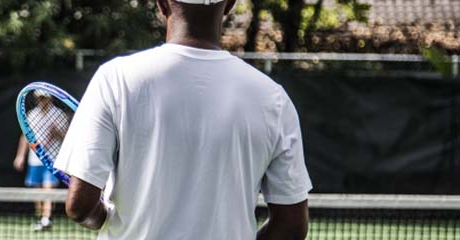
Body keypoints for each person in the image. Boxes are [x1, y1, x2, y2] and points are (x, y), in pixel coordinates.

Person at [54, 0, 312, 239]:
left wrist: (103, 217)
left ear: (162, 3)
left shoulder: (114, 78)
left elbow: (80, 207)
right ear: (230, 4)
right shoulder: (272, 98)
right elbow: (291, 225)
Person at [12, 92, 67, 231]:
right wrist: (20, 156)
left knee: (48, 190)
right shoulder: (32, 115)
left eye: (44, 99)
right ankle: (42, 218)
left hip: (52, 160)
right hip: (34, 160)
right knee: (37, 192)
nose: (42, 101)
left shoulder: (58, 114)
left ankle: (46, 218)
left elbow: (67, 137)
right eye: (39, 99)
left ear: (50, 99)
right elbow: (25, 136)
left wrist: (57, 132)